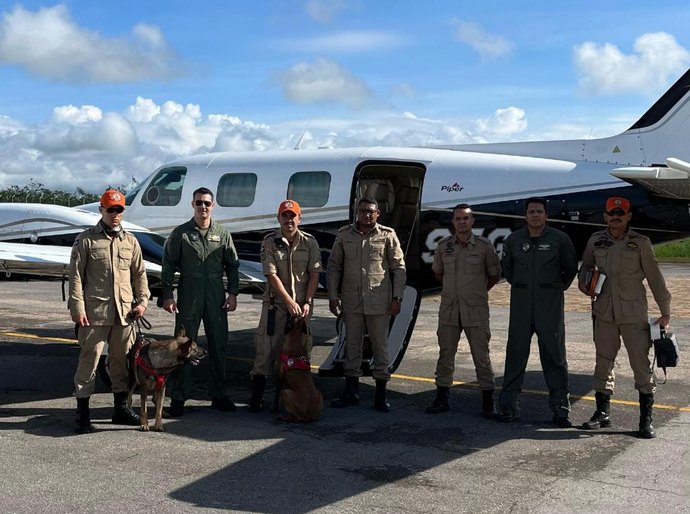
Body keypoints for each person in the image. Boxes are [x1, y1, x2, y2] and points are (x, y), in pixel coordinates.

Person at [578, 196, 671, 439]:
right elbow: (586, 267)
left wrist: (665, 311)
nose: (616, 216)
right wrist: (585, 283)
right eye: (612, 213)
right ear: (605, 216)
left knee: (640, 363)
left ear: (628, 216)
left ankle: (645, 420)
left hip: (633, 313)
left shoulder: (640, 243)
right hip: (604, 312)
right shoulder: (596, 241)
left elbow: (655, 277)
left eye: (621, 213)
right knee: (603, 361)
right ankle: (602, 413)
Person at [69, 189, 149, 434]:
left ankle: (121, 409)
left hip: (124, 314)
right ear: (101, 209)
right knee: (89, 361)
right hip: (94, 312)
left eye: (119, 209)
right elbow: (75, 278)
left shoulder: (130, 241)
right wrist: (77, 308)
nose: (115, 214)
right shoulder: (86, 240)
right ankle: (83, 413)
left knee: (120, 362)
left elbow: (139, 274)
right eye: (110, 209)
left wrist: (142, 301)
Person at [497, 197, 578, 427]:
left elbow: (570, 269)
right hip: (521, 305)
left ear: (546, 215)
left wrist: (551, 289)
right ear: (526, 215)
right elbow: (509, 272)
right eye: (531, 211)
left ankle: (561, 409)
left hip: (549, 306)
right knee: (515, 355)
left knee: (554, 356)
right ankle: (508, 406)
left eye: (539, 211)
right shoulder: (514, 240)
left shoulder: (559, 240)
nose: (535, 215)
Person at [161, 187, 240, 416]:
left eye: (206, 203)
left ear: (213, 205)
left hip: (215, 296)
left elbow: (232, 265)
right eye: (199, 203)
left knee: (218, 345)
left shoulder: (222, 234)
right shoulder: (181, 234)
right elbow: (168, 266)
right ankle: (178, 398)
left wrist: (232, 293)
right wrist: (167, 295)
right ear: (192, 205)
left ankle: (219, 394)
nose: (203, 207)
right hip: (189, 294)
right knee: (183, 347)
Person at [327, 197, 407, 412]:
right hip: (352, 302)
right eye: (363, 211)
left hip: (379, 303)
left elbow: (399, 268)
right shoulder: (344, 235)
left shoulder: (387, 235)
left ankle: (381, 394)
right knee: (352, 346)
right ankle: (351, 392)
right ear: (357, 212)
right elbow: (334, 267)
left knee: (380, 347)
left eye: (371, 211)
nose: (367, 215)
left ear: (378, 213)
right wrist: (333, 296)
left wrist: (397, 298)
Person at [426, 204, 501, 417]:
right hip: (450, 309)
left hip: (475, 310)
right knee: (445, 354)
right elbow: (438, 273)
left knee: (481, 356)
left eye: (465, 218)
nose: (461, 222)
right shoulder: (444, 246)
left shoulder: (484, 246)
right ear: (453, 222)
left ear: (472, 221)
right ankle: (441, 398)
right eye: (457, 218)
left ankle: (488, 402)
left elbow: (494, 275)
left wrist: (475, 292)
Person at [248, 200, 322, 412]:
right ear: (279, 218)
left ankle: (299, 394)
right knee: (266, 348)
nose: (289, 220)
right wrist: (288, 302)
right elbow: (271, 274)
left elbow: (314, 274)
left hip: (302, 306)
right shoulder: (270, 241)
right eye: (285, 216)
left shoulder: (310, 242)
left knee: (301, 350)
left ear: (299, 218)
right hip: (277, 304)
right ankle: (257, 396)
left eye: (292, 216)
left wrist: (306, 301)